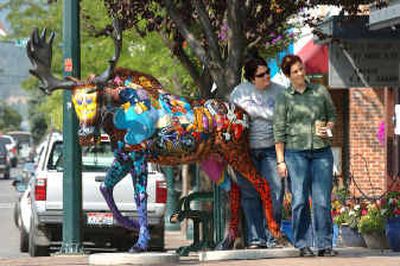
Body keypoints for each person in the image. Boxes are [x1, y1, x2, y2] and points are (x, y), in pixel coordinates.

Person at [273, 54, 337, 257]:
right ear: (288, 76)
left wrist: (328, 127)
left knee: (322, 201)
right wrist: (281, 160)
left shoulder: (319, 91)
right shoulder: (284, 97)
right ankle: (302, 243)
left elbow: (332, 115)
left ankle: (325, 244)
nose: (300, 73)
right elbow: (279, 130)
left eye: (301, 69)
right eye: (295, 71)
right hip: (295, 154)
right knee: (299, 200)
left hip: (321, 153)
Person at [230, 56, 285, 248]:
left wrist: (255, 112)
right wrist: (269, 114)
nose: (267, 77)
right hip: (246, 152)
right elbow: (234, 116)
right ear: (251, 79)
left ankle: (273, 235)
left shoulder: (280, 92)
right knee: (250, 194)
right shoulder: (239, 92)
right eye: (261, 75)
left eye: (268, 72)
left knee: (275, 193)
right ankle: (256, 238)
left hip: (272, 149)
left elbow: (284, 117)